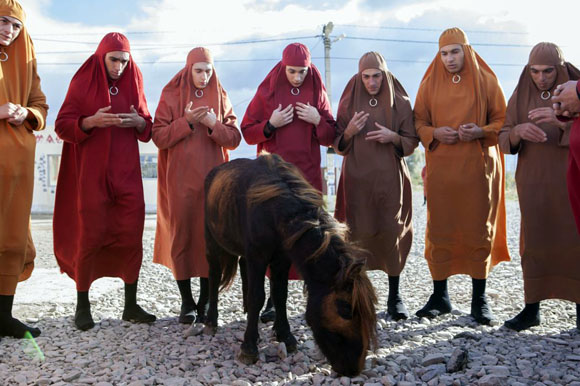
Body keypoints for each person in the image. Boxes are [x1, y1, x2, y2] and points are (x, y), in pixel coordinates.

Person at [53, 32, 156, 331]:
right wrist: (89, 122)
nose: (120, 67)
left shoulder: (133, 80)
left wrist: (139, 122)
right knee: (90, 234)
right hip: (91, 174)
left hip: (126, 174)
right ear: (102, 56)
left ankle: (130, 305)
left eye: (125, 61)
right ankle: (82, 305)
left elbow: (147, 126)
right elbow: (62, 125)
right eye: (114, 60)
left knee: (130, 232)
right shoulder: (82, 81)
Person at [413, 27, 510, 325]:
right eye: (444, 53)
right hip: (442, 171)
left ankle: (479, 299)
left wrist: (481, 131)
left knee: (478, 229)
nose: (450, 59)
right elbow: (419, 120)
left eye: (455, 51)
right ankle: (439, 296)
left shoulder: (487, 81)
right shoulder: (429, 83)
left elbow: (503, 121)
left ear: (466, 51)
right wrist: (434, 132)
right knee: (439, 229)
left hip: (478, 171)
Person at [241, 42, 336, 322]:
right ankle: (272, 299)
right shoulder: (267, 89)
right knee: (273, 235)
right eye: (292, 72)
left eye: (302, 72)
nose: (297, 77)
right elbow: (247, 132)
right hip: (274, 179)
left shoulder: (317, 88)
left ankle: (314, 295)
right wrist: (270, 125)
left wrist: (318, 119)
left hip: (306, 177)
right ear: (284, 67)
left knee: (309, 234)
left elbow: (330, 136)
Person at [152, 47, 241, 324]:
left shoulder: (221, 94)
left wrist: (214, 123)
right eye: (199, 70)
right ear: (189, 69)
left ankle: (206, 300)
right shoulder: (171, 94)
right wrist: (187, 122)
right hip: (178, 180)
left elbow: (234, 138)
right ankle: (186, 301)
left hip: (213, 182)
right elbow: (158, 136)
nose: (204, 76)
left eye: (208, 71)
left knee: (210, 240)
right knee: (182, 235)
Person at [499, 42, 580, 332]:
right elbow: (503, 134)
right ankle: (532, 308)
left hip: (571, 175)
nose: (542, 78)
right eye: (535, 71)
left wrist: (562, 124)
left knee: (574, 239)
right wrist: (519, 131)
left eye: (548, 71)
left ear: (560, 68)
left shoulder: (575, 89)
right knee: (534, 240)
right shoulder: (521, 92)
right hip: (532, 179)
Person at [334, 52, 418, 320]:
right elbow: (336, 141)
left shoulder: (399, 98)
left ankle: (395, 297)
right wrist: (349, 132)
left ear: (384, 74)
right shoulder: (350, 97)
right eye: (366, 76)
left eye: (376, 76)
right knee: (356, 234)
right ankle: (357, 296)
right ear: (360, 76)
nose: (371, 82)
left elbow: (412, 140)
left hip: (390, 180)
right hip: (356, 181)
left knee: (392, 232)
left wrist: (392, 136)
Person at [0, 0, 47, 339]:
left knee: (12, 238)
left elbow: (40, 103)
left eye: (15, 26)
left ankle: (4, 315)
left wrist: (26, 113)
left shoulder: (26, 57)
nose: (9, 31)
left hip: (17, 164)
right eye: (3, 23)